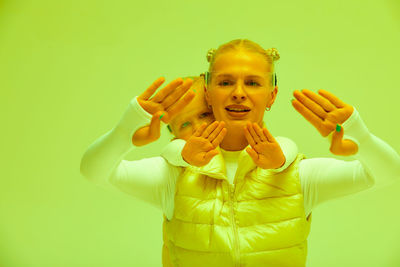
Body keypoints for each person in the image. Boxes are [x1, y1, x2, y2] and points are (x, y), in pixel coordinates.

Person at [158, 39, 400, 267]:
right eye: (225, 82)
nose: (239, 93)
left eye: (252, 82)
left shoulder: (298, 172)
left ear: (271, 95)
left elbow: (388, 173)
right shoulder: (174, 175)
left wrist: (359, 136)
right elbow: (140, 162)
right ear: (211, 96)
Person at [79, 74, 299, 265]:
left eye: (204, 114)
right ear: (174, 137)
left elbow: (289, 150)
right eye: (184, 125)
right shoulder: (172, 174)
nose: (198, 127)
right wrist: (126, 130)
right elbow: (93, 171)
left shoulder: (276, 160)